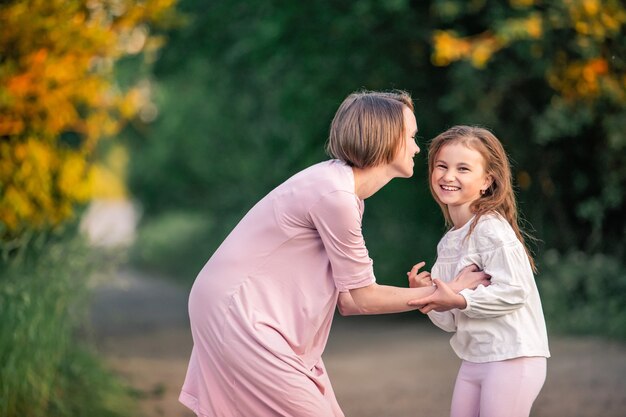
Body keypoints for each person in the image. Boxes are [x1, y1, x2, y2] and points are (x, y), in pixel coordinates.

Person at [178, 91, 490, 417]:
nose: (415, 148)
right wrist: (450, 291)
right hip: (238, 314)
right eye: (411, 137)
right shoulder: (335, 195)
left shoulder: (344, 192)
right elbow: (364, 297)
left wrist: (436, 294)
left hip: (244, 312)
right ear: (386, 138)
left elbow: (350, 301)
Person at [407, 125, 550, 417]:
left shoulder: (491, 230)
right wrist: (428, 298)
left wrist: (460, 299)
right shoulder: (449, 243)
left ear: (487, 180)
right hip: (475, 359)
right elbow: (450, 321)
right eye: (441, 166)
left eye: (463, 169)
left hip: (513, 356)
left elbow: (515, 292)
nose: (448, 176)